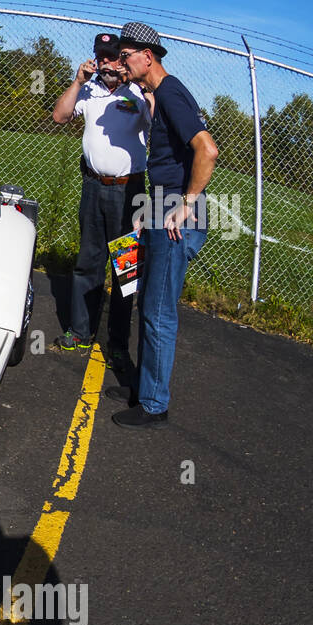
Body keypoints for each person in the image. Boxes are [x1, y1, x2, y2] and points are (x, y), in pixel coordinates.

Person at [107, 21, 219, 429]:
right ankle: (142, 385)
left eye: (126, 55)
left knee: (157, 311)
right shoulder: (162, 94)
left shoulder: (171, 92)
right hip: (162, 204)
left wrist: (185, 204)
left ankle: (154, 404)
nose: (122, 62)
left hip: (177, 212)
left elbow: (207, 149)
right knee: (145, 301)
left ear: (147, 56)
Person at [50, 31, 152, 372]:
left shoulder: (137, 91)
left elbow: (154, 119)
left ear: (123, 60)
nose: (107, 62)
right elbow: (60, 116)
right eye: (101, 56)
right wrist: (78, 81)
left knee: (125, 268)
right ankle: (80, 331)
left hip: (130, 191)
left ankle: (118, 343)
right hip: (94, 187)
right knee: (87, 261)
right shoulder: (89, 90)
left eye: (113, 56)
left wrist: (141, 90)